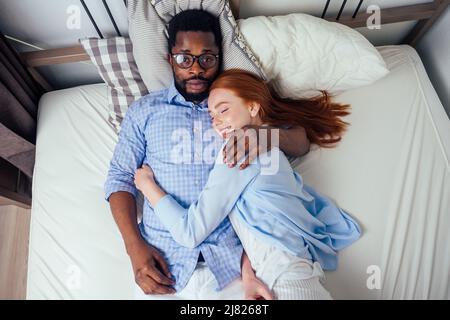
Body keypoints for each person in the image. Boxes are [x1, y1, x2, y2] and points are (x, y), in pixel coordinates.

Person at [104, 10, 310, 300]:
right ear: (170, 60)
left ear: (218, 60)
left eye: (207, 58)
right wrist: (134, 248)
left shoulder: (232, 105)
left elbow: (301, 142)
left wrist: (263, 136)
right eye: (184, 59)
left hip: (234, 268)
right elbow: (120, 179)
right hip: (162, 264)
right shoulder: (145, 111)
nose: (196, 69)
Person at [134, 69, 362, 300]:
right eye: (212, 116)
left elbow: (189, 232)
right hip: (291, 276)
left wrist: (147, 187)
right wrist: (249, 275)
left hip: (285, 282)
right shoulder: (269, 144)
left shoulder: (238, 150)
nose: (217, 121)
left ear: (253, 107)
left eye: (223, 109)